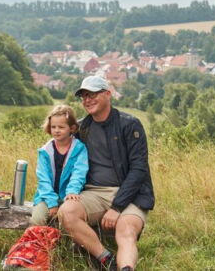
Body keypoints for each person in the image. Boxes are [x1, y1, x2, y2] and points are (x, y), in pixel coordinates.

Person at [58, 76, 154, 271]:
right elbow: (59, 156)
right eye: (84, 96)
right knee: (66, 212)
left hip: (131, 194)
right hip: (95, 193)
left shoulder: (130, 125)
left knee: (126, 230)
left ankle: (126, 268)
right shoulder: (81, 128)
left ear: (108, 94)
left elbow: (139, 170)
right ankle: (106, 260)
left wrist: (117, 207)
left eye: (92, 94)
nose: (87, 100)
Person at [31, 104, 88, 227]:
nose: (56, 130)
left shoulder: (79, 149)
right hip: (46, 197)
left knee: (67, 221)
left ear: (72, 128)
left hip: (69, 196)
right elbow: (43, 179)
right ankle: (38, 240)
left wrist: (72, 191)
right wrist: (51, 203)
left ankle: (60, 240)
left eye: (61, 127)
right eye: (53, 127)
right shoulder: (45, 151)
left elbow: (79, 173)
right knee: (37, 219)